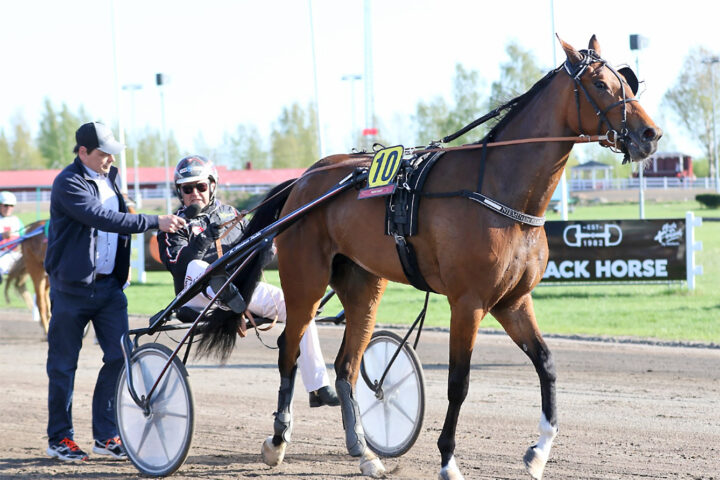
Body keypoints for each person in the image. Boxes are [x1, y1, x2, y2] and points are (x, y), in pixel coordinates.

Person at [44, 122, 186, 462]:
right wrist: (155, 221)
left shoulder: (111, 177)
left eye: (112, 152)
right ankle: (59, 439)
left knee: (119, 359)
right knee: (64, 366)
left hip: (109, 289)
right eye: (103, 152)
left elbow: (116, 217)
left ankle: (105, 435)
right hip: (70, 290)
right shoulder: (68, 183)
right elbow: (101, 218)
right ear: (83, 153)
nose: (110, 158)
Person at [157, 155, 340, 408]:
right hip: (194, 296)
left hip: (240, 290)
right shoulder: (173, 225)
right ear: (180, 192)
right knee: (199, 267)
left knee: (301, 309)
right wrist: (204, 239)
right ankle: (228, 298)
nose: (194, 193)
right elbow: (179, 267)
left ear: (212, 185)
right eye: (187, 189)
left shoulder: (230, 214)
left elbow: (251, 253)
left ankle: (318, 386)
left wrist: (265, 251)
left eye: (200, 186)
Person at [0, 191, 24, 286]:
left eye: (11, 206)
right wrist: (2, 236)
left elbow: (24, 237)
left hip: (16, 254)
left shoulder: (17, 220)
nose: (8, 208)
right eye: (6, 205)